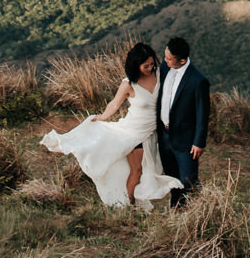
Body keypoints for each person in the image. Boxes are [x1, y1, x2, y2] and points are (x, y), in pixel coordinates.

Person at [40, 42, 184, 210]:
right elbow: (115, 104)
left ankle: (135, 202)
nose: (150, 68)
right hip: (132, 133)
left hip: (151, 133)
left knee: (148, 171)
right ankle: (129, 206)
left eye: (152, 64)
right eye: (146, 66)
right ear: (136, 66)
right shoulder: (128, 84)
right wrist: (102, 118)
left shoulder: (159, 75)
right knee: (136, 171)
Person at [153, 36, 210, 206]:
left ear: (183, 60)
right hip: (164, 136)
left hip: (185, 140)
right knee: (171, 178)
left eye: (169, 58)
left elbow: (202, 114)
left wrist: (198, 142)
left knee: (188, 181)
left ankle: (191, 214)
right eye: (165, 56)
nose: (165, 60)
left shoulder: (198, 81)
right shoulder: (165, 67)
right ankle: (175, 209)